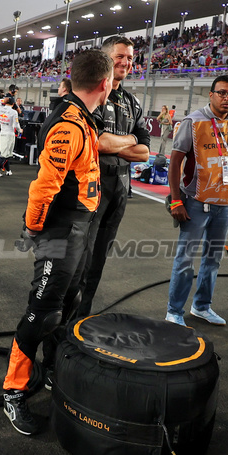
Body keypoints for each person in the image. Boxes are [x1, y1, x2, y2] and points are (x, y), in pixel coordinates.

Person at [0, 50, 114, 436]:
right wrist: (32, 227)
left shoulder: (84, 116)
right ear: (105, 83)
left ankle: (49, 370)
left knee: (71, 301)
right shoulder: (69, 122)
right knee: (43, 311)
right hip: (58, 230)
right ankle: (13, 392)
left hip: (78, 227)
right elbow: (44, 185)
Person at [165, 75, 228, 327]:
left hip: (226, 204)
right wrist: (176, 200)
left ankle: (201, 306)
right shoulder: (193, 122)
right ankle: (174, 311)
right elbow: (175, 161)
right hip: (196, 202)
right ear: (211, 95)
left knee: (212, 259)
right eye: (222, 93)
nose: (227, 98)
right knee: (185, 258)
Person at [68, 35, 150, 321]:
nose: (127, 62)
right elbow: (99, 143)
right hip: (92, 185)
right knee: (80, 259)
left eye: (130, 57)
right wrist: (129, 141)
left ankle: (81, 323)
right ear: (105, 59)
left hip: (120, 188)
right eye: (120, 56)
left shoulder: (132, 101)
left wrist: (119, 144)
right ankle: (62, 327)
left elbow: (145, 152)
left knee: (99, 260)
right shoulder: (92, 95)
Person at [0, 94, 21, 176]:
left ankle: (8, 170)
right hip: (9, 134)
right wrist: (20, 131)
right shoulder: (14, 112)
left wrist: (4, 100)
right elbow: (16, 125)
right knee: (6, 154)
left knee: (5, 153)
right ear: (13, 104)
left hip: (2, 133)